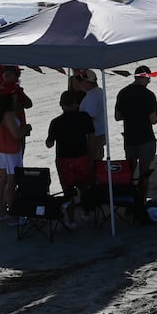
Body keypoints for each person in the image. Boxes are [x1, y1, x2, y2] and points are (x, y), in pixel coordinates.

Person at [114, 65, 157, 218]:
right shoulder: (148, 95)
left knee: (130, 172)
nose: (149, 81)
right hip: (145, 137)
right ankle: (141, 202)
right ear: (144, 77)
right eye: (149, 78)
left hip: (129, 137)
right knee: (144, 173)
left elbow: (118, 116)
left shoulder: (123, 93)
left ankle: (130, 202)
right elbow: (153, 120)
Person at [46, 88, 96, 225]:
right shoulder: (84, 117)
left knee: (68, 191)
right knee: (85, 186)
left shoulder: (56, 122)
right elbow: (92, 136)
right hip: (82, 157)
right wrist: (91, 153)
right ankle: (86, 212)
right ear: (76, 104)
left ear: (61, 104)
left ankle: (72, 220)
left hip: (64, 159)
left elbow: (49, 144)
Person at [0, 69, 31, 222]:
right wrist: (26, 128)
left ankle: (2, 212)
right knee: (12, 179)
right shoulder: (8, 114)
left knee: (4, 177)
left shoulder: (0, 111)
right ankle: (13, 213)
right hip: (11, 148)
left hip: (2, 148)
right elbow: (16, 134)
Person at [74, 69, 108, 166]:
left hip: (94, 135)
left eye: (81, 80)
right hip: (98, 133)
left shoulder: (92, 96)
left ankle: (94, 180)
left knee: (92, 162)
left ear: (88, 81)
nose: (79, 83)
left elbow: (89, 118)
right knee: (97, 161)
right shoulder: (97, 92)